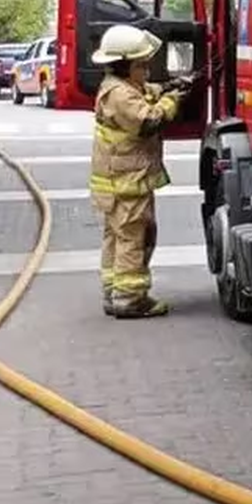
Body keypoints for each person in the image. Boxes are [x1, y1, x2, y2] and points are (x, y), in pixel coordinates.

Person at [89, 24, 190, 319]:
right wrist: (172, 101)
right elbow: (148, 121)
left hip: (118, 184)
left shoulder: (119, 87)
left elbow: (146, 93)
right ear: (125, 66)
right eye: (141, 65)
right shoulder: (120, 96)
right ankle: (130, 298)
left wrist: (168, 87)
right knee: (135, 238)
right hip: (127, 183)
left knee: (118, 237)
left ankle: (114, 291)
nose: (146, 70)